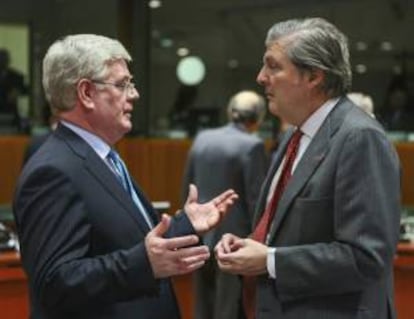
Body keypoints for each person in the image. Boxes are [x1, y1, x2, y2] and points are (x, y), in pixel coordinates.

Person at [13, 34, 238, 319]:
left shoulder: (103, 157)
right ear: (85, 93)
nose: (134, 94)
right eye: (122, 85)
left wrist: (186, 224)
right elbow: (55, 282)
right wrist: (144, 264)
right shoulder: (52, 171)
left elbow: (129, 242)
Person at [215, 17, 401, 319]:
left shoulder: (360, 138)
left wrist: (270, 260)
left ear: (314, 76)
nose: (261, 77)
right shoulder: (294, 134)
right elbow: (290, 230)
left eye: (273, 66)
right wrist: (250, 245)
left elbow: (368, 256)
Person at [182, 90, 268, 319]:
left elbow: (187, 190)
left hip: (199, 237)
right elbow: (256, 201)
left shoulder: (203, 138)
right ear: (258, 118)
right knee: (227, 310)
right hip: (234, 242)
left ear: (231, 112)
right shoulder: (253, 145)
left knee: (202, 308)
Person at [0, 48, 28, 131]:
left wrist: (18, 92)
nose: (2, 61)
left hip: (11, 113)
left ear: (8, 60)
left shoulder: (17, 76)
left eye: (5, 58)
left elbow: (25, 90)